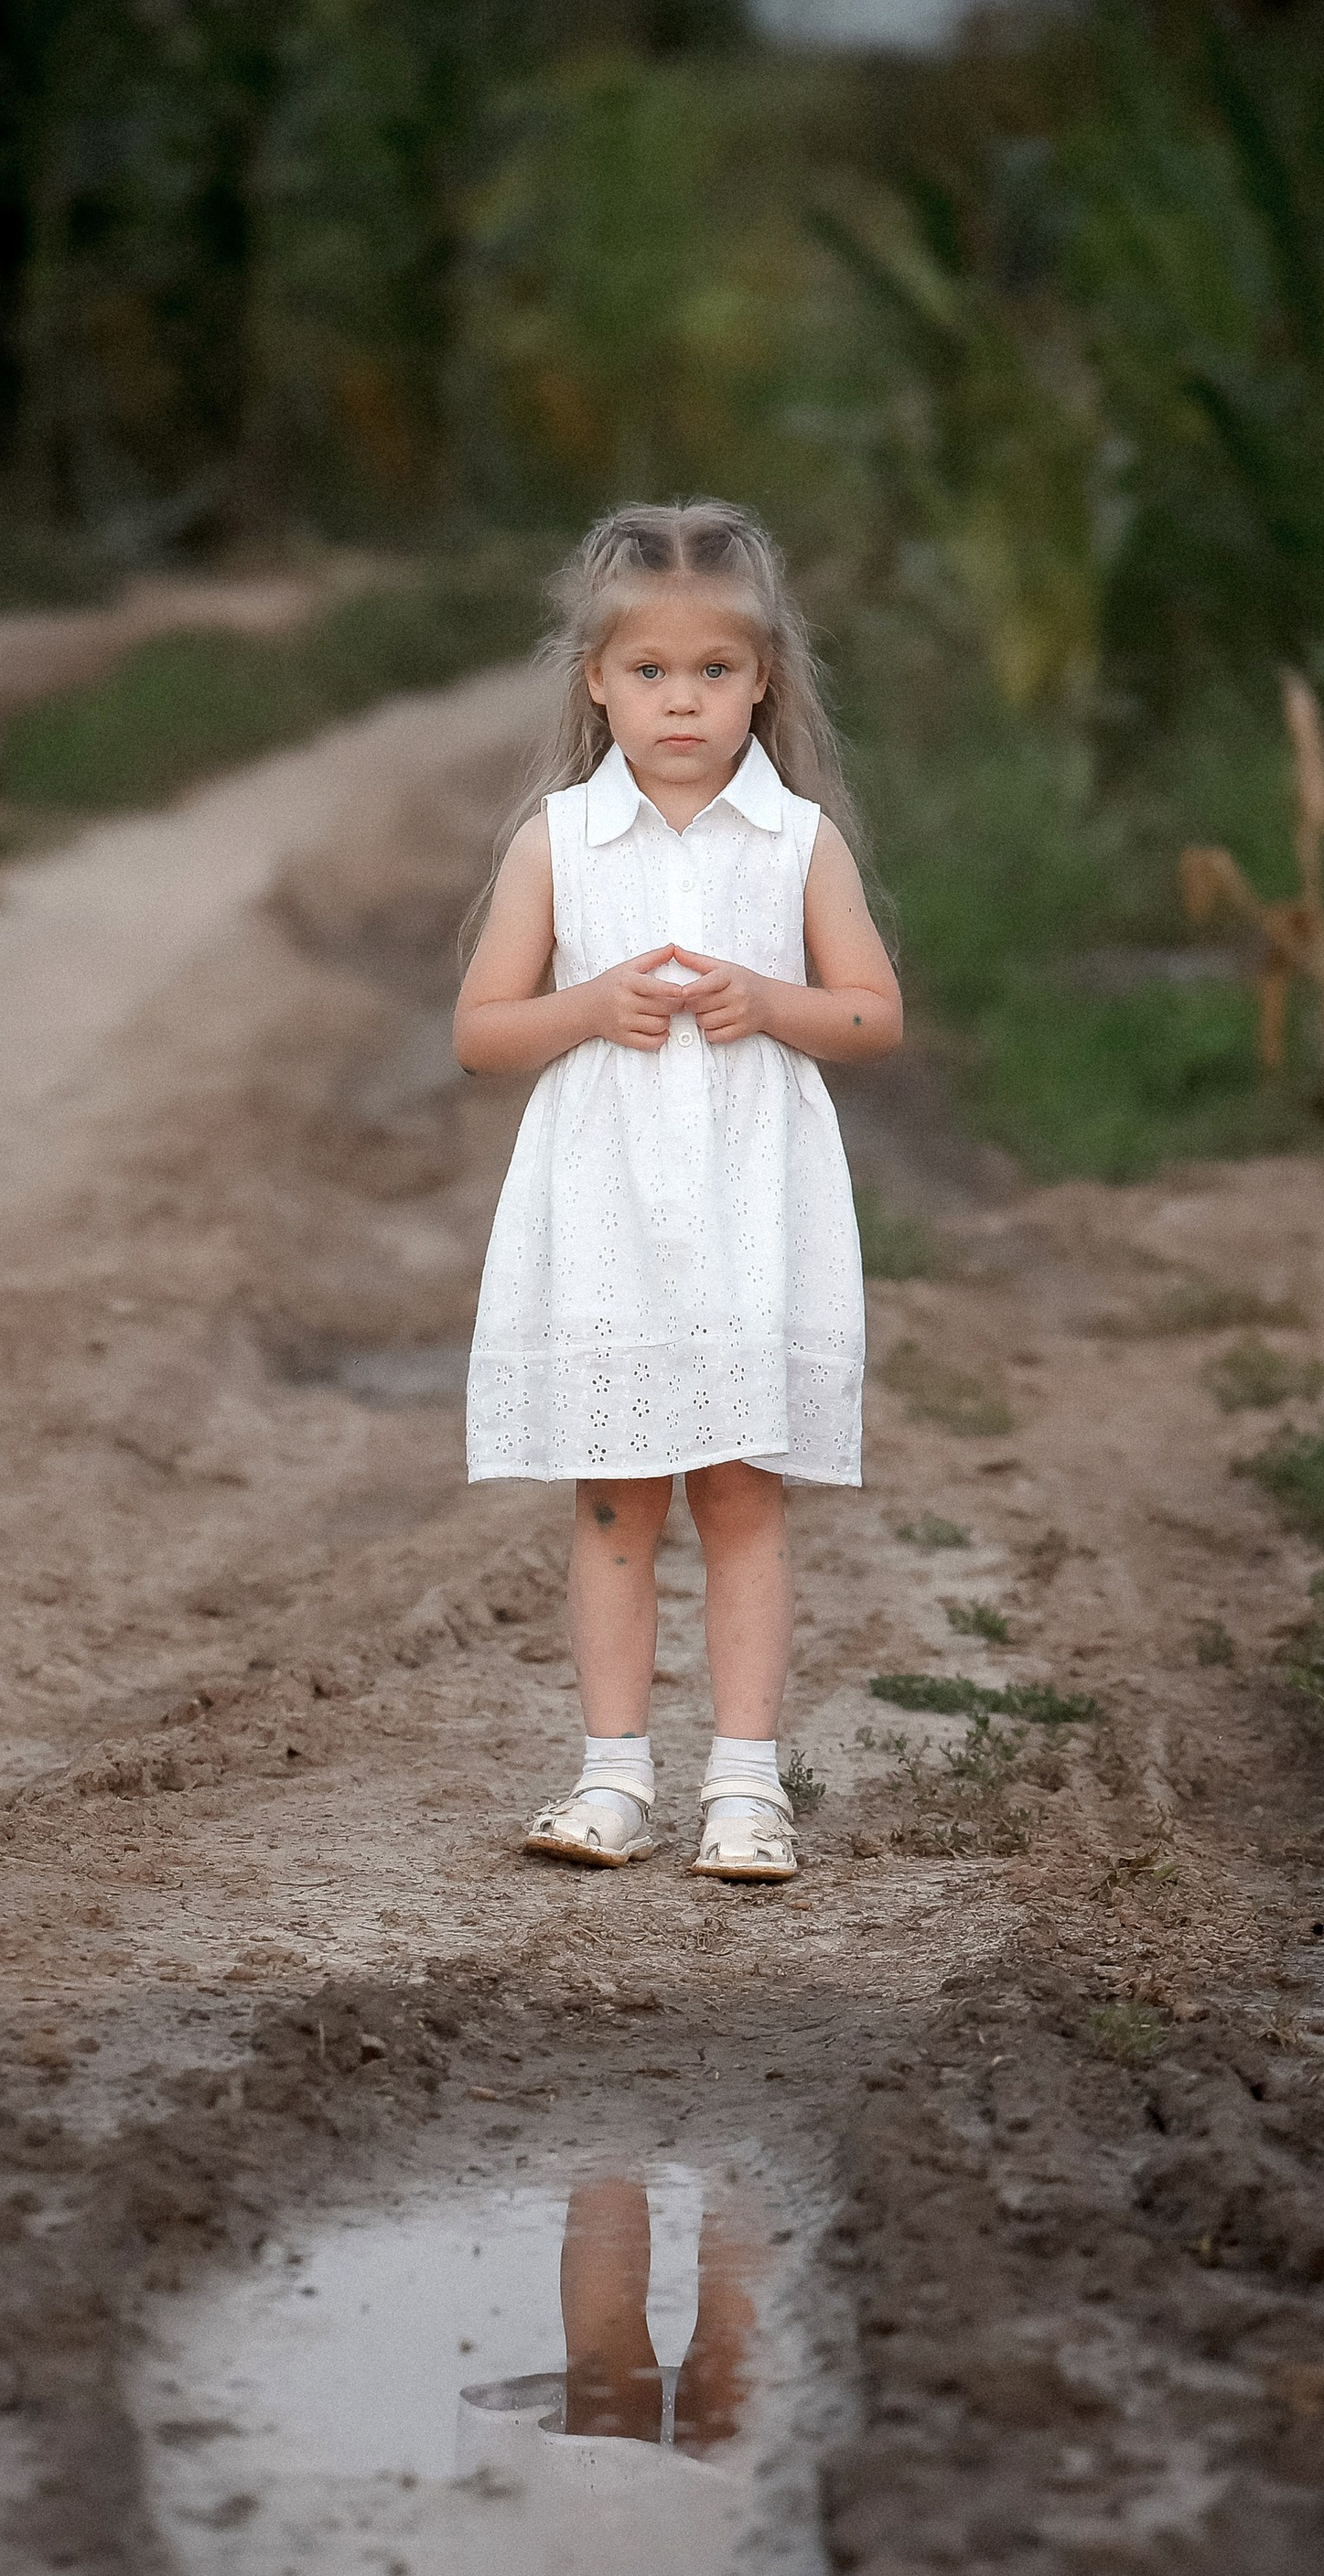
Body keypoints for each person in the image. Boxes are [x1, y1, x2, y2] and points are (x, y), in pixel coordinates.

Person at [456, 499, 899, 1884]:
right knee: (613, 1498)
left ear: (764, 678)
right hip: (606, 1215)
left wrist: (774, 999)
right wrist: (585, 1004)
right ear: (597, 681)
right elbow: (481, 1035)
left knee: (743, 1491)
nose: (683, 702)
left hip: (748, 1212)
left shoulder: (797, 844)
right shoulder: (561, 843)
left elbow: (875, 1018)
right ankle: (610, 1780)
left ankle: (748, 1789)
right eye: (650, 673)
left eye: (715, 671)